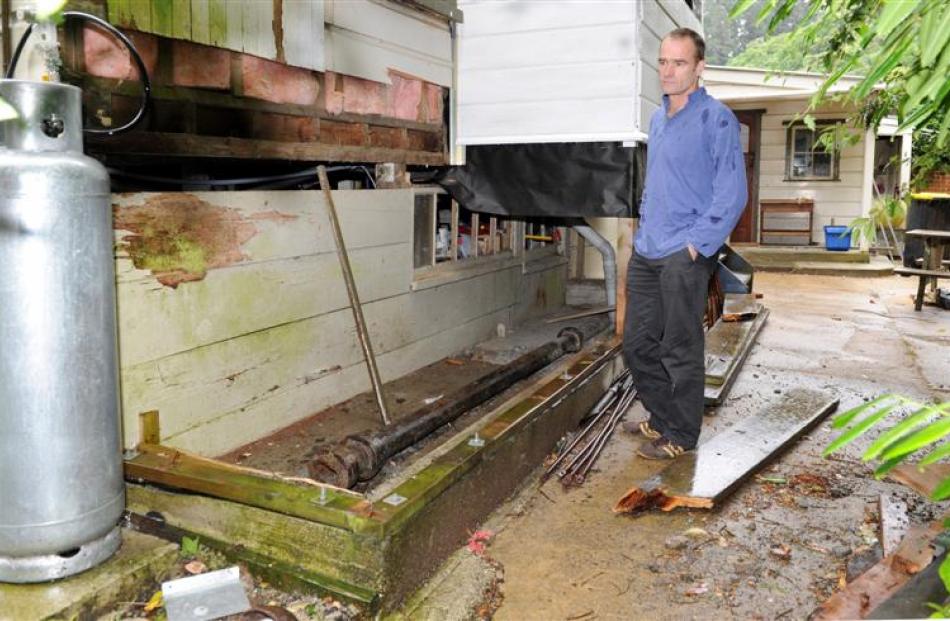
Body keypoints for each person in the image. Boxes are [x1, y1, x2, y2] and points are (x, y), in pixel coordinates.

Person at [622, 28, 747, 460]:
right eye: (663, 61)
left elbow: (732, 193)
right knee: (636, 344)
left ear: (699, 68)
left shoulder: (717, 118)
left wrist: (696, 246)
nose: (668, 71)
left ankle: (682, 434)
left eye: (678, 62)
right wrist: (642, 231)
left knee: (679, 345)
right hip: (648, 249)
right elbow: (657, 182)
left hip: (684, 253)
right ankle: (660, 415)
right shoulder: (658, 119)